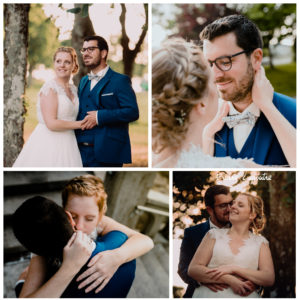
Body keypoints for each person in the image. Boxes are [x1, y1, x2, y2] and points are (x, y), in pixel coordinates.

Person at [15, 174, 153, 296]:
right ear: (65, 213)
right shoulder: (47, 238)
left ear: (101, 214)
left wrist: (116, 257)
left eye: (89, 219)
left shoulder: (102, 223)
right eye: (74, 216)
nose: (80, 226)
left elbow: (146, 241)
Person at [200, 14, 296, 167]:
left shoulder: (294, 113)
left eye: (224, 62)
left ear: (256, 58)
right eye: (209, 63)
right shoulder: (205, 121)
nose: (215, 74)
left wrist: (268, 108)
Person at [152, 38, 259, 168]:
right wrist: (267, 106)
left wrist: (207, 132)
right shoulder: (241, 167)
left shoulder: (155, 160)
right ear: (202, 103)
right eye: (214, 82)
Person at [13, 196, 136, 298]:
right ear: (70, 217)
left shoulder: (51, 287)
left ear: (35, 251)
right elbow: (140, 239)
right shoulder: (121, 240)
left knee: (23, 278)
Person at [188, 193, 275, 297]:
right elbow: (193, 269)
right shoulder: (213, 235)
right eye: (233, 203)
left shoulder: (261, 242)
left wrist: (234, 269)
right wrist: (229, 280)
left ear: (252, 215)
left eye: (240, 205)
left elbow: (268, 278)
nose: (232, 206)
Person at [13, 47, 83, 167]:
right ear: (54, 63)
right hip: (49, 142)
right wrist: (81, 124)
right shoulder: (50, 88)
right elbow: (51, 123)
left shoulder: (74, 89)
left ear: (74, 65)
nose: (62, 65)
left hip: (69, 141)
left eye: (67, 62)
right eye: (58, 61)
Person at [178, 185, 254, 297]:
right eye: (223, 206)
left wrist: (253, 284)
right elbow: (183, 269)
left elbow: (255, 266)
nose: (229, 209)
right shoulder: (193, 233)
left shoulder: (245, 230)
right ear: (210, 210)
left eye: (231, 203)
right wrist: (203, 280)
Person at [76, 36, 139, 167]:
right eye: (84, 50)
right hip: (79, 151)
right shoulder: (83, 81)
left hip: (107, 152)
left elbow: (132, 112)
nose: (86, 53)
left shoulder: (120, 81)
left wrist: (100, 116)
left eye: (91, 49)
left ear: (104, 53)